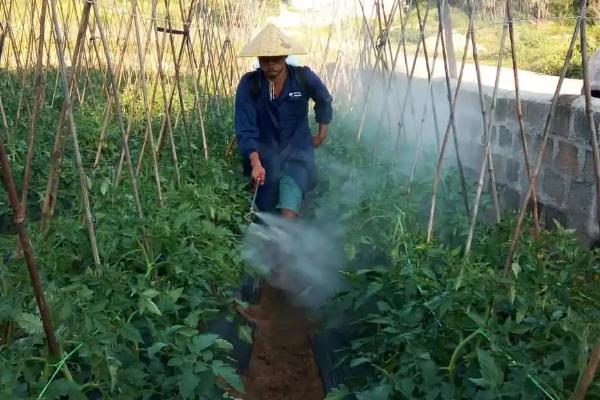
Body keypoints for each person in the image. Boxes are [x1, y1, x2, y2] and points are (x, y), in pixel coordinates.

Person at [234, 24, 333, 220]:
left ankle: (287, 238)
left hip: (298, 153)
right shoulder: (250, 84)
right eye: (265, 59)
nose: (271, 64)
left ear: (285, 57)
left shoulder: (303, 77)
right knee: (267, 206)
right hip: (265, 159)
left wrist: (322, 131)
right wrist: (255, 162)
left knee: (289, 205)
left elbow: (324, 98)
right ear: (258, 59)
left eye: (276, 58)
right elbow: (245, 128)